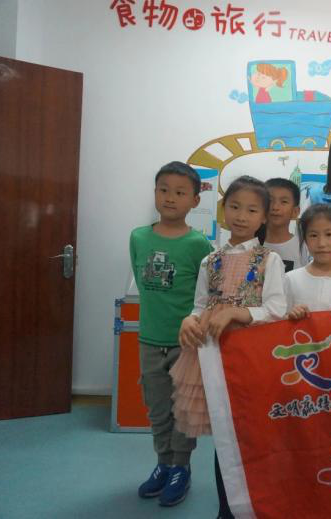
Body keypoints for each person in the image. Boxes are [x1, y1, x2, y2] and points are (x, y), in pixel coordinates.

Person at [176, 175, 286, 519]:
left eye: (252, 210)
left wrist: (238, 313)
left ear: (264, 217)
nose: (241, 216)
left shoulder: (269, 260)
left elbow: (276, 309)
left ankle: (256, 505)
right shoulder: (210, 260)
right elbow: (200, 305)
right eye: (235, 207)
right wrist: (189, 320)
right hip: (214, 355)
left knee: (252, 433)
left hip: (253, 357)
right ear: (223, 209)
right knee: (224, 435)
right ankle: (226, 509)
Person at [129, 161, 213, 507]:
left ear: (195, 200)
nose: (170, 198)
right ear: (154, 193)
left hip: (186, 343)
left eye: (180, 192)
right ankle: (163, 463)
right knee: (158, 407)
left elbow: (207, 294)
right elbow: (141, 280)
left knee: (183, 411)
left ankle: (181, 467)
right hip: (149, 339)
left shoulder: (199, 244)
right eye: (163, 190)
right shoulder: (138, 237)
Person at [264, 178, 310, 273]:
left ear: (295, 211)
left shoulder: (304, 247)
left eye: (284, 202)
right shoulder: (251, 244)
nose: (275, 207)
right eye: (270, 200)